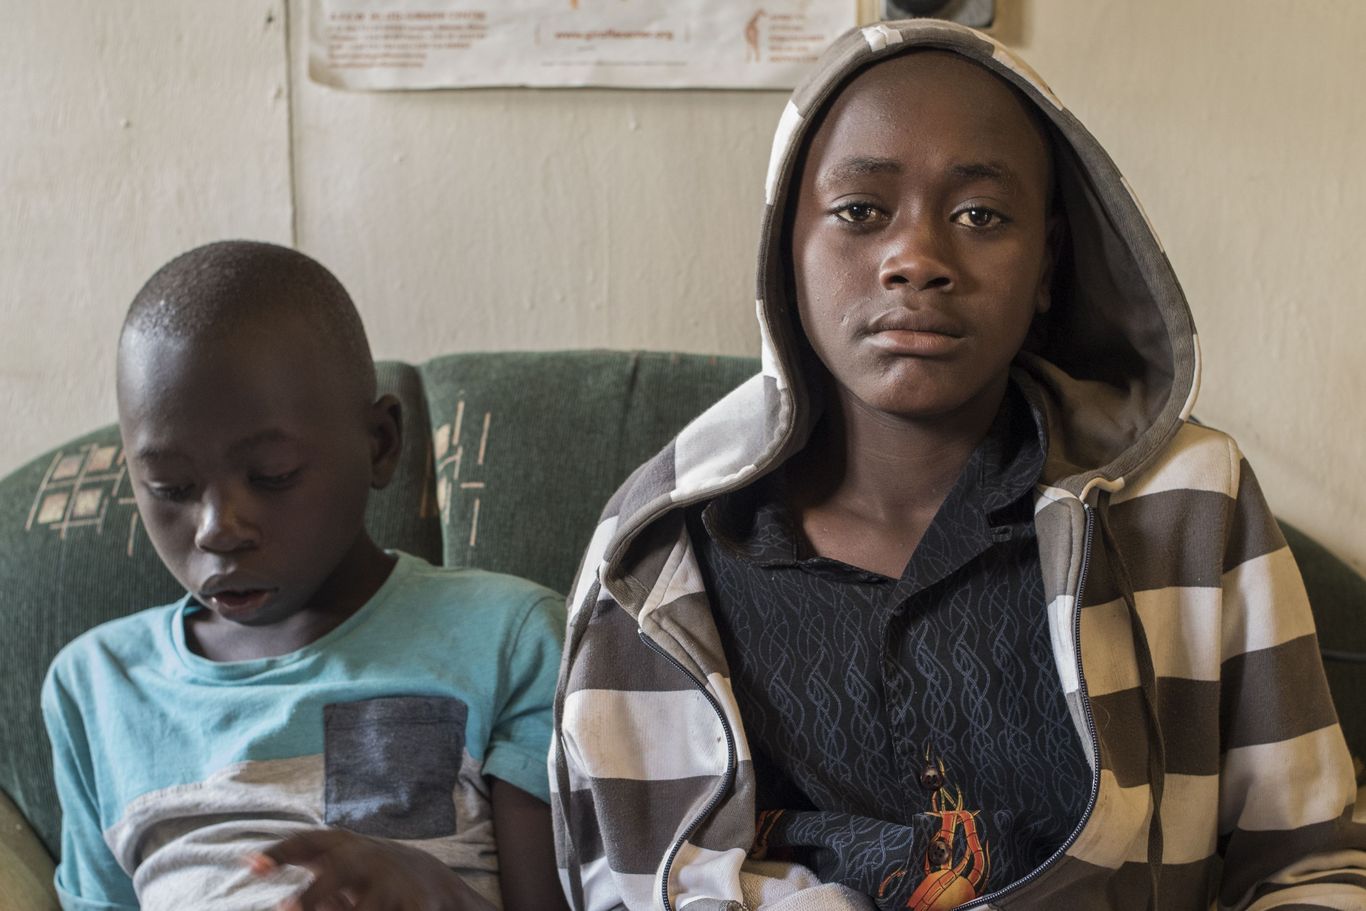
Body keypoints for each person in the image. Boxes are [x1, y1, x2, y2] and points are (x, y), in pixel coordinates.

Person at [551, 19, 1366, 911]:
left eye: (980, 214)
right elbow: (633, 882)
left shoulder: (1191, 506)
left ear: (1048, 264)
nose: (916, 259)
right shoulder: (658, 554)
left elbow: (1310, 865)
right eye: (860, 212)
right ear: (786, 250)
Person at [42, 241, 571, 911]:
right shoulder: (96, 685)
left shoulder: (510, 637)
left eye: (272, 476)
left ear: (379, 444)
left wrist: (438, 895)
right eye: (171, 487)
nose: (217, 528)